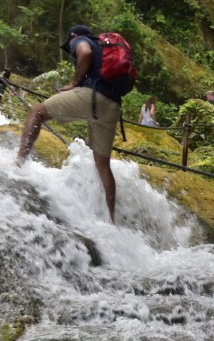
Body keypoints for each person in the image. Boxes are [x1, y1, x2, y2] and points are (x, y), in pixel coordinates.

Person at [16, 25, 133, 223]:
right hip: (112, 105)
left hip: (93, 96)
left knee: (37, 112)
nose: (70, 47)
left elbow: (84, 52)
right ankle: (112, 220)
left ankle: (18, 163)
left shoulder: (80, 41)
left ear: (74, 36)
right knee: (103, 165)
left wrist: (74, 83)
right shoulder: (104, 48)